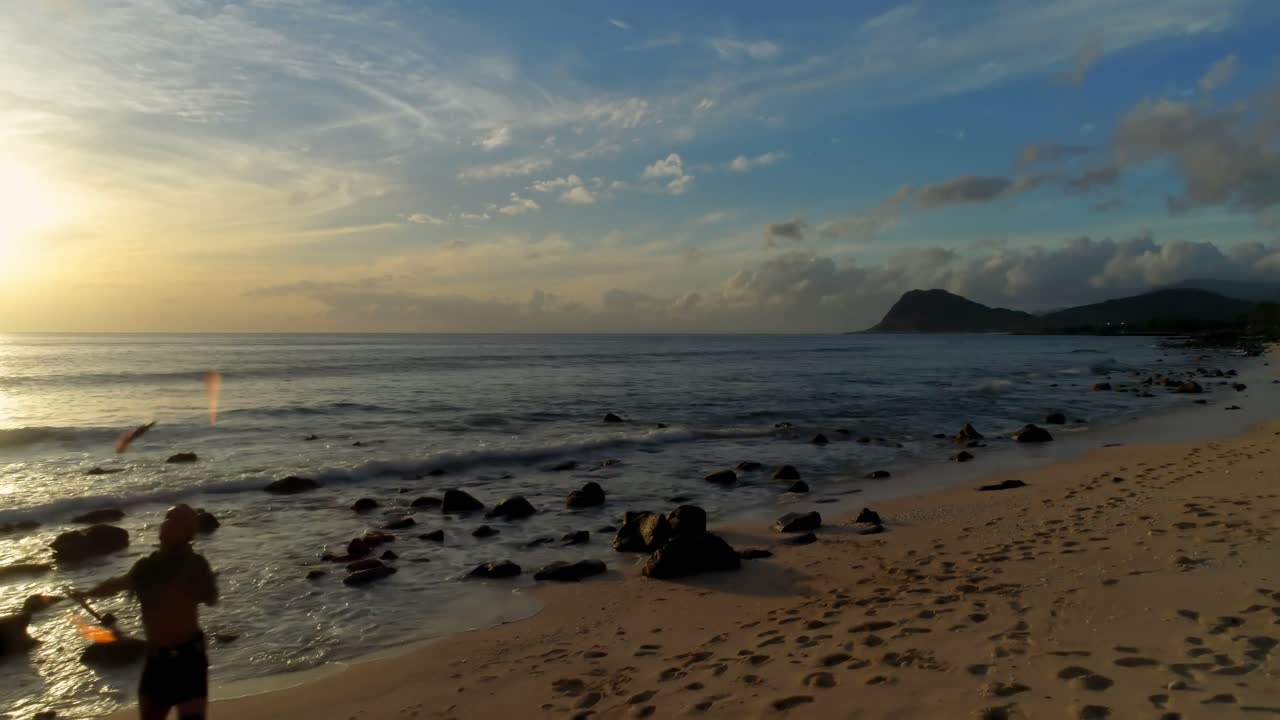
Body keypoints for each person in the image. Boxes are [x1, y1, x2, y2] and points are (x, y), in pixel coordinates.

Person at [83, 504, 219, 720]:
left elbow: (211, 598)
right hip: (157, 660)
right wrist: (89, 592)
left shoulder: (195, 564)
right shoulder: (146, 567)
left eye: (176, 520)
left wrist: (202, 584)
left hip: (189, 658)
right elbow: (120, 584)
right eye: (168, 518)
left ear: (188, 531)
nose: (168, 523)